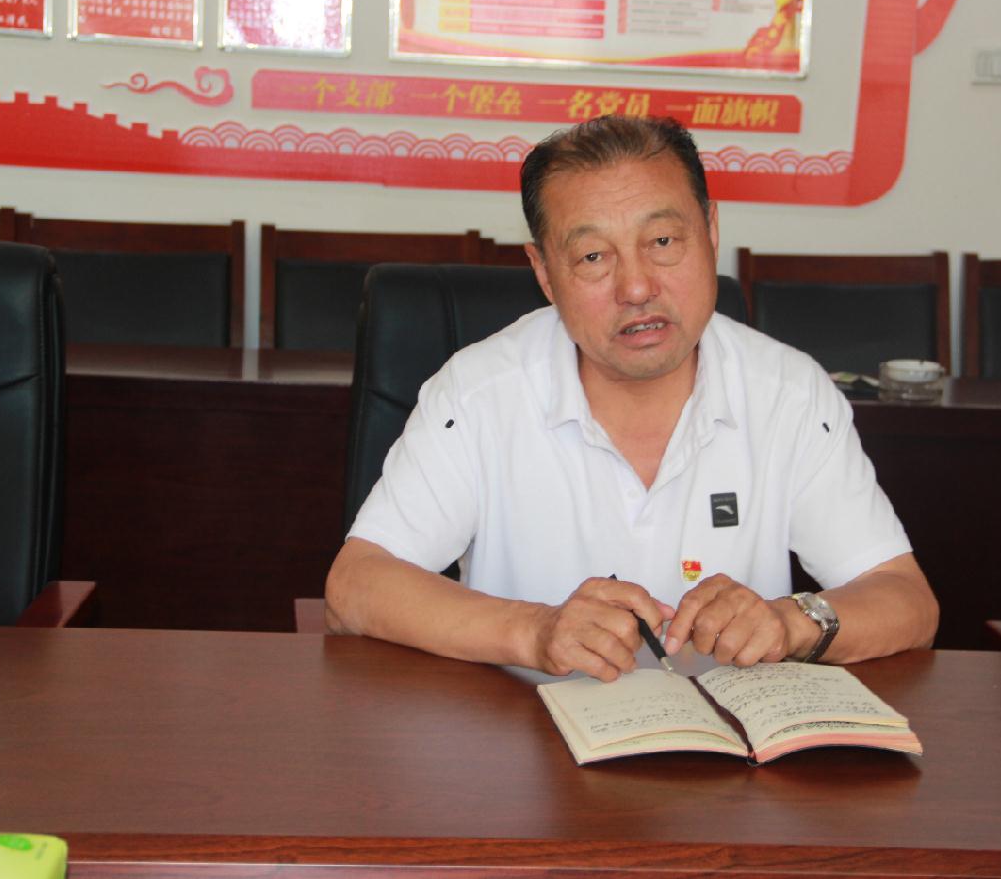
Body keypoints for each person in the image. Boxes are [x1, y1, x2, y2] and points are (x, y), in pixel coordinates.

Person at [325, 115, 938, 681]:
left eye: (663, 241)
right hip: (523, 741)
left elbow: (905, 599)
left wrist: (791, 622)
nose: (638, 287)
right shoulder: (478, 392)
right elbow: (356, 585)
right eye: (593, 256)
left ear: (710, 231)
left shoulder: (789, 394)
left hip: (730, 750)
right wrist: (533, 631)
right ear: (545, 273)